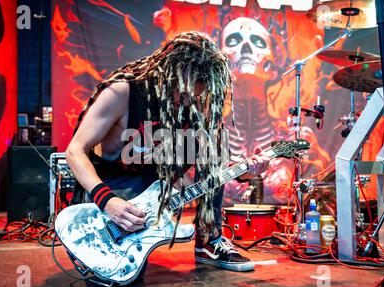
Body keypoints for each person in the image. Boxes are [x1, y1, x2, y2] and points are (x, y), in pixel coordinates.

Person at [66, 31, 270, 272]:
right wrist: (107, 201)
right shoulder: (123, 92)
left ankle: (208, 240)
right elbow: (75, 151)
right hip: (115, 185)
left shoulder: (196, 103)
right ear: (166, 73)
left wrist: (246, 171)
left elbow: (211, 166)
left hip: (156, 181)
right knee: (122, 275)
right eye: (181, 93)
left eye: (196, 94)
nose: (186, 102)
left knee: (212, 148)